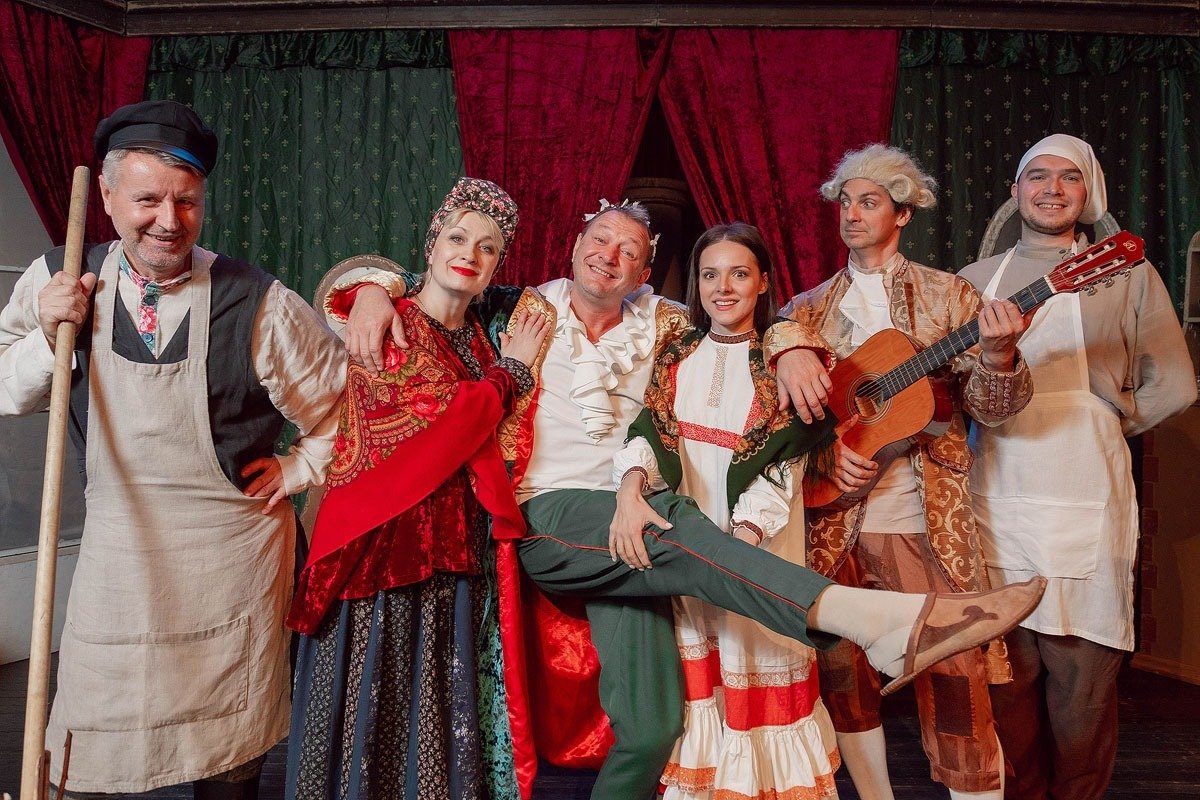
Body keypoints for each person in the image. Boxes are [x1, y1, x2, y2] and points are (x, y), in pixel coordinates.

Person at [336, 198, 1046, 800]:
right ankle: (863, 620)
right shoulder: (516, 309)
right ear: (574, 248)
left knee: (651, 729)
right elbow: (438, 278)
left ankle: (863, 623)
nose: (610, 256)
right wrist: (372, 286)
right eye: (600, 240)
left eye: (630, 251)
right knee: (675, 521)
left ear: (644, 274)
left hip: (633, 535)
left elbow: (736, 310)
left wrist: (791, 342)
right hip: (547, 518)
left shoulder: (665, 325)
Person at [0, 100, 345, 798]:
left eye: (186, 201)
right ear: (106, 196)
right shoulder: (56, 278)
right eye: (147, 200)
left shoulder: (259, 301)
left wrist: (301, 465)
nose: (168, 220)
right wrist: (45, 331)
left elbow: (347, 410)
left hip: (232, 560)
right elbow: (6, 388)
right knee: (87, 746)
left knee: (227, 757)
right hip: (119, 553)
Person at [774, 143, 1033, 800]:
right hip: (829, 525)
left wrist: (998, 357)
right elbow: (774, 424)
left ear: (904, 213)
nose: (852, 214)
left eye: (869, 202)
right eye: (845, 202)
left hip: (924, 518)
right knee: (843, 677)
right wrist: (821, 450)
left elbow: (992, 410)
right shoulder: (803, 311)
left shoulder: (952, 296)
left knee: (955, 675)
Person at [284, 178, 549, 800]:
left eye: (488, 247)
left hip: (453, 547)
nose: (469, 254)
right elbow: (451, 424)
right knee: (374, 708)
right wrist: (510, 373)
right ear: (430, 248)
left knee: (433, 711)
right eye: (457, 238)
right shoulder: (395, 325)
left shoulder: (480, 332)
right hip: (382, 546)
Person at [958, 134, 1196, 800]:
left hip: (1086, 487)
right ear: (1015, 191)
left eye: (1069, 177)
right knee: (1005, 675)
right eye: (1038, 176)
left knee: (1081, 685)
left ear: (1088, 194)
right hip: (996, 492)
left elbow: (1175, 384)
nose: (1052, 189)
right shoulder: (974, 282)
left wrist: (1104, 417)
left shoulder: (1127, 274)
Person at [611, 222, 840, 799]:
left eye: (739, 273)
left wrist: (740, 546)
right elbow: (650, 433)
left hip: (754, 538)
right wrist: (631, 489)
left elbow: (784, 465)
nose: (724, 288)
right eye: (710, 275)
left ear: (763, 281)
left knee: (752, 647)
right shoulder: (678, 353)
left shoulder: (783, 359)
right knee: (702, 674)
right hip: (692, 536)